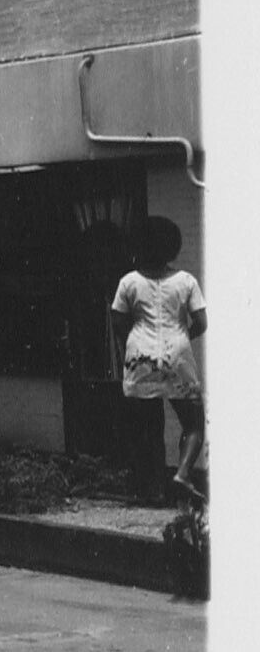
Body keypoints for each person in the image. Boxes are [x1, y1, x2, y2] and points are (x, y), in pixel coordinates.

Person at [110, 215, 207, 502]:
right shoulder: (185, 281)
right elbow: (201, 321)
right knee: (193, 422)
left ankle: (153, 491)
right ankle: (183, 474)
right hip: (177, 354)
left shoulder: (129, 281)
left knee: (149, 428)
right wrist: (183, 336)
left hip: (140, 357)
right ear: (172, 247)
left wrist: (135, 340)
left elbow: (117, 320)